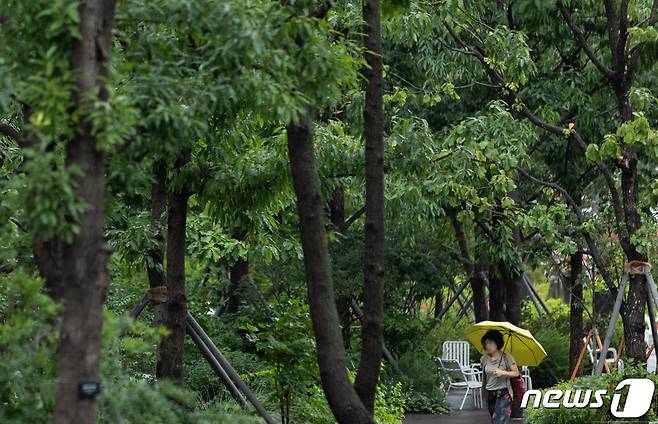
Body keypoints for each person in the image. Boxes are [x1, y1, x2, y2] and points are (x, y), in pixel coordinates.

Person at [480, 330, 520, 424]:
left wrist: (503, 372)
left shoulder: (507, 357)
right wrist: (484, 392)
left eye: (490, 343)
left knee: (498, 421)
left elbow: (516, 373)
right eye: (485, 343)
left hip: (503, 393)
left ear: (497, 343)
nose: (487, 346)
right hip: (490, 393)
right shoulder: (484, 359)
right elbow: (485, 377)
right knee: (496, 419)